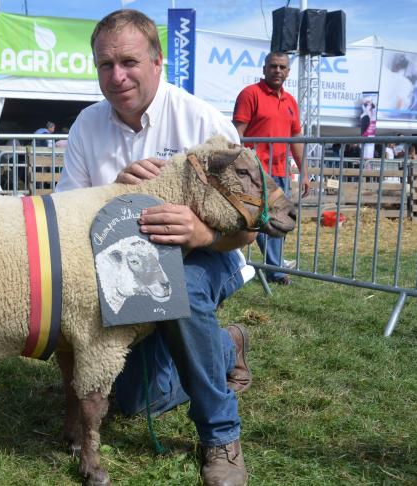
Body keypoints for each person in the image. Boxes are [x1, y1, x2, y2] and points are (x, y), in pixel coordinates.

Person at [56, 10, 253, 485]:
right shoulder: (87, 125)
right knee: (133, 400)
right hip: (126, 266)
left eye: (129, 61)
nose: (117, 75)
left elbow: (249, 227)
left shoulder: (201, 121)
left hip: (208, 253)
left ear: (158, 62)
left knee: (179, 287)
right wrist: (110, 194)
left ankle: (221, 435)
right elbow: (65, 214)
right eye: (105, 64)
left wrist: (204, 234)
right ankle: (225, 348)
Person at [233, 51, 308, 285]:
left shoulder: (291, 102)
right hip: (256, 172)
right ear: (264, 68)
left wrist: (303, 171)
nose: (278, 70)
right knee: (263, 219)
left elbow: (296, 138)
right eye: (273, 66)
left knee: (278, 218)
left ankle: (272, 264)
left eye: (282, 67)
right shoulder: (250, 94)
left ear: (288, 72)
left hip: (280, 170)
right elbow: (237, 133)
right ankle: (274, 269)